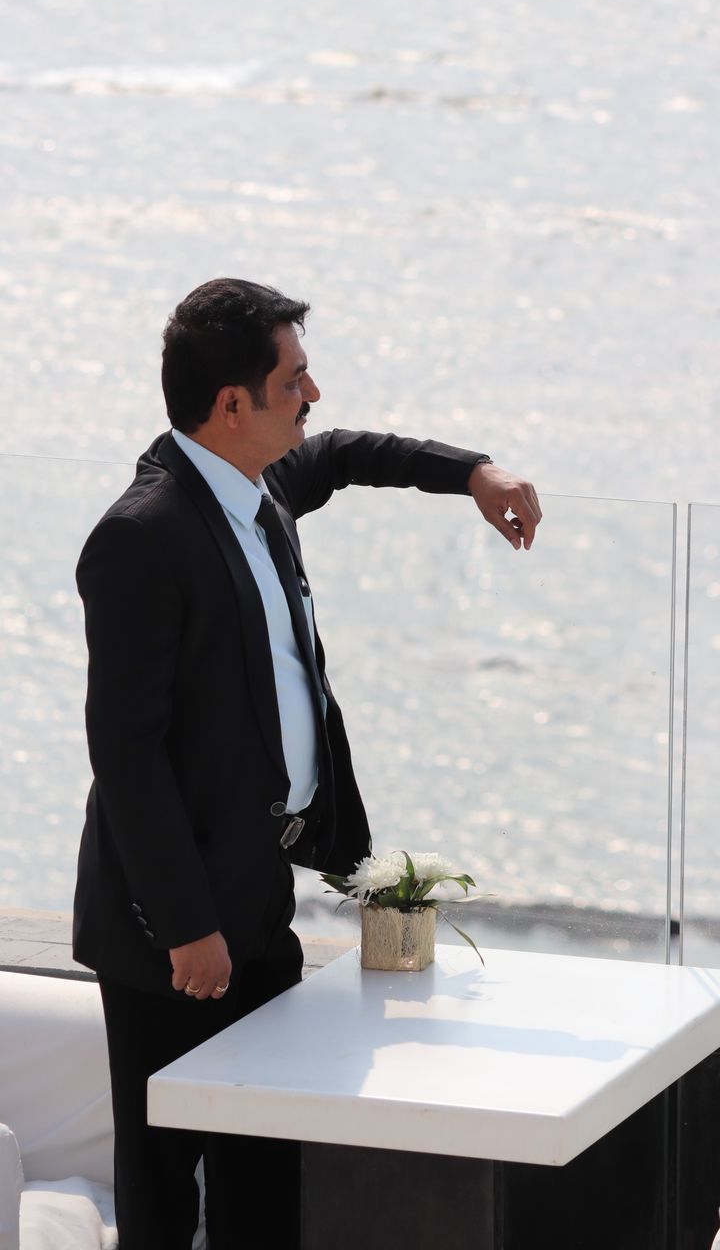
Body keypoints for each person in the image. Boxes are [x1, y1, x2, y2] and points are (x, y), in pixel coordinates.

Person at [73, 277, 542, 1249]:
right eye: (294, 379)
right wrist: (188, 924)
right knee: (163, 1188)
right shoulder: (141, 536)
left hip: (256, 890)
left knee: (265, 1173)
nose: (313, 393)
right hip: (169, 926)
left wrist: (475, 473)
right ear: (231, 403)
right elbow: (126, 752)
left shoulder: (261, 488)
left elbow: (346, 453)